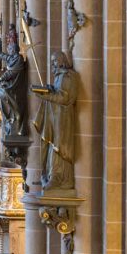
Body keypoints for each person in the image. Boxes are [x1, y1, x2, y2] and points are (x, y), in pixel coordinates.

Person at [31, 51, 80, 191]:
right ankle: (53, 175)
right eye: (51, 61)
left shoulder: (68, 76)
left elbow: (64, 98)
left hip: (63, 119)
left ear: (62, 60)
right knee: (53, 146)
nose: (52, 64)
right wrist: (47, 89)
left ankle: (59, 177)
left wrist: (45, 96)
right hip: (55, 117)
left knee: (60, 147)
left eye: (54, 61)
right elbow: (58, 92)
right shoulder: (60, 76)